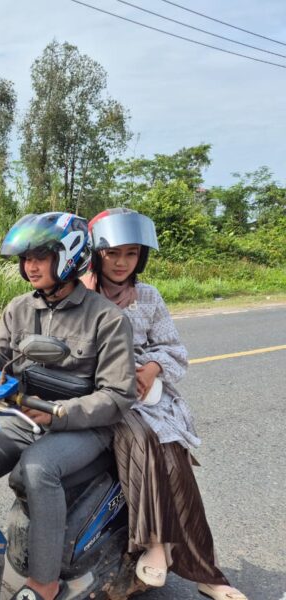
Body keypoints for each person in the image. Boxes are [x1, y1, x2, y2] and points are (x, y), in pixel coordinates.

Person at [0, 212, 136, 600]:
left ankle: (44, 582)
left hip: (83, 427)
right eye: (26, 258)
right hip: (24, 415)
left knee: (38, 469)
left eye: (41, 256)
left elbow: (117, 396)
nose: (30, 266)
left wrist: (60, 413)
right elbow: (3, 368)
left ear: (70, 257)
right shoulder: (19, 308)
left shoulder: (106, 318)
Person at [84, 208, 247, 600]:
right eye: (113, 254)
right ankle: (155, 543)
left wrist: (152, 367)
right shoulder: (79, 295)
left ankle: (208, 574)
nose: (122, 263)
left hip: (148, 398)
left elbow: (174, 348)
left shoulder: (149, 297)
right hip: (102, 397)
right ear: (95, 254)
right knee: (143, 442)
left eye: (132, 253)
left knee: (176, 463)